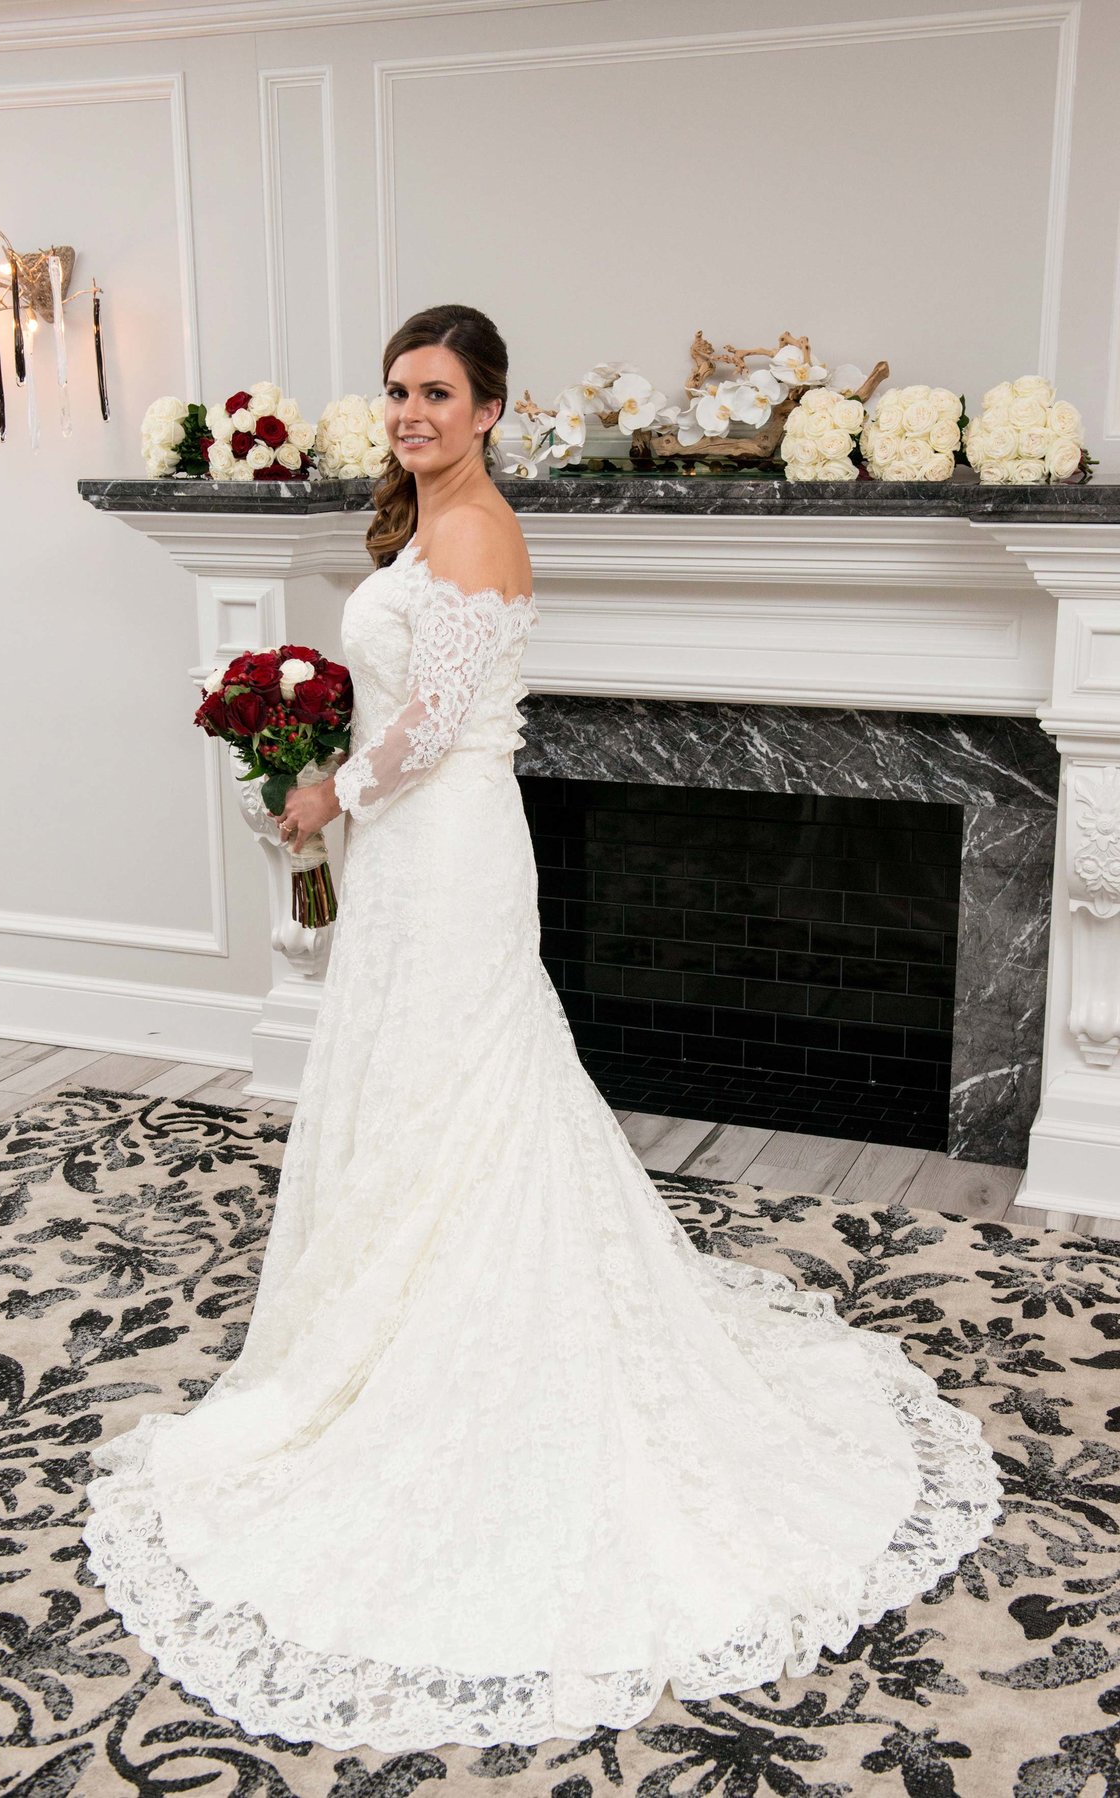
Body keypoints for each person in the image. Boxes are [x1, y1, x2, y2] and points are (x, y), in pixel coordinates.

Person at [82, 302, 1004, 1753]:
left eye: (438, 392)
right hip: (414, 851)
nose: (411, 413)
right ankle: (388, 1323)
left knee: (468, 1087)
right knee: (418, 1087)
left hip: (445, 844)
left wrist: (326, 792)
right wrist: (326, 750)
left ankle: (472, 1354)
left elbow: (440, 721)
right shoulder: (426, 522)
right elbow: (407, 696)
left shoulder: (478, 528)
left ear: (492, 407)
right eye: (397, 390)